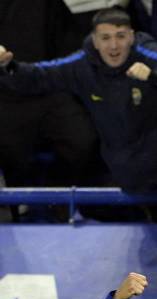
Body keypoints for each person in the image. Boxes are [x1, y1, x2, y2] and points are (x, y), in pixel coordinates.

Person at [0, 5, 157, 191]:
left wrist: (155, 76)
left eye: (121, 36)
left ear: (131, 37)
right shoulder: (81, 64)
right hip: (119, 163)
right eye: (105, 38)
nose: (114, 46)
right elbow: (40, 75)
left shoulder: (144, 49)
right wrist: (9, 67)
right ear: (94, 40)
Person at [0, 0, 98, 191]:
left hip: (47, 88)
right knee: (12, 155)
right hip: (4, 95)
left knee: (82, 140)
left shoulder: (49, 5)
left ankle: (58, 194)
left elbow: (67, 41)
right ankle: (20, 206)